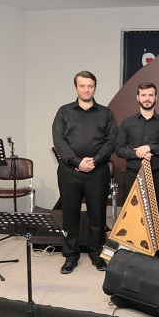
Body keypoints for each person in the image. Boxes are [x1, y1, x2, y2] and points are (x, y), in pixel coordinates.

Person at [52, 70, 117, 274]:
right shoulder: (63, 112)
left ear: (95, 87)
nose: (86, 89)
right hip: (69, 171)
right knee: (70, 214)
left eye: (90, 86)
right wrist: (77, 162)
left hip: (98, 171)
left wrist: (95, 161)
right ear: (76, 88)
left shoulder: (106, 113)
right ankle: (70, 256)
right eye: (82, 86)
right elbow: (58, 140)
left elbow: (111, 141)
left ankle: (96, 253)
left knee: (97, 214)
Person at [115, 82, 159, 253]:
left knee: (155, 214)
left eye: (151, 95)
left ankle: (155, 249)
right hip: (132, 175)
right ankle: (131, 250)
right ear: (137, 97)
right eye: (144, 95)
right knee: (131, 215)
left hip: (155, 175)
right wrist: (136, 153)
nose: (147, 99)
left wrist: (150, 148)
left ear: (156, 97)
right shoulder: (127, 123)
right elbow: (118, 149)